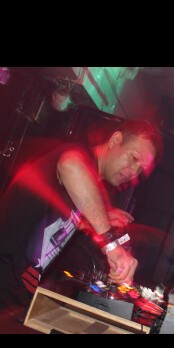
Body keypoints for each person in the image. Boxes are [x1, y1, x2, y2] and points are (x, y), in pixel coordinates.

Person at [0, 119, 164, 309]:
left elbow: (59, 211)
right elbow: (71, 165)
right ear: (115, 140)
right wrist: (111, 245)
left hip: (15, 294)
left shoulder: (93, 187)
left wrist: (94, 220)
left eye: (141, 169)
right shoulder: (80, 154)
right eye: (134, 158)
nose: (135, 171)